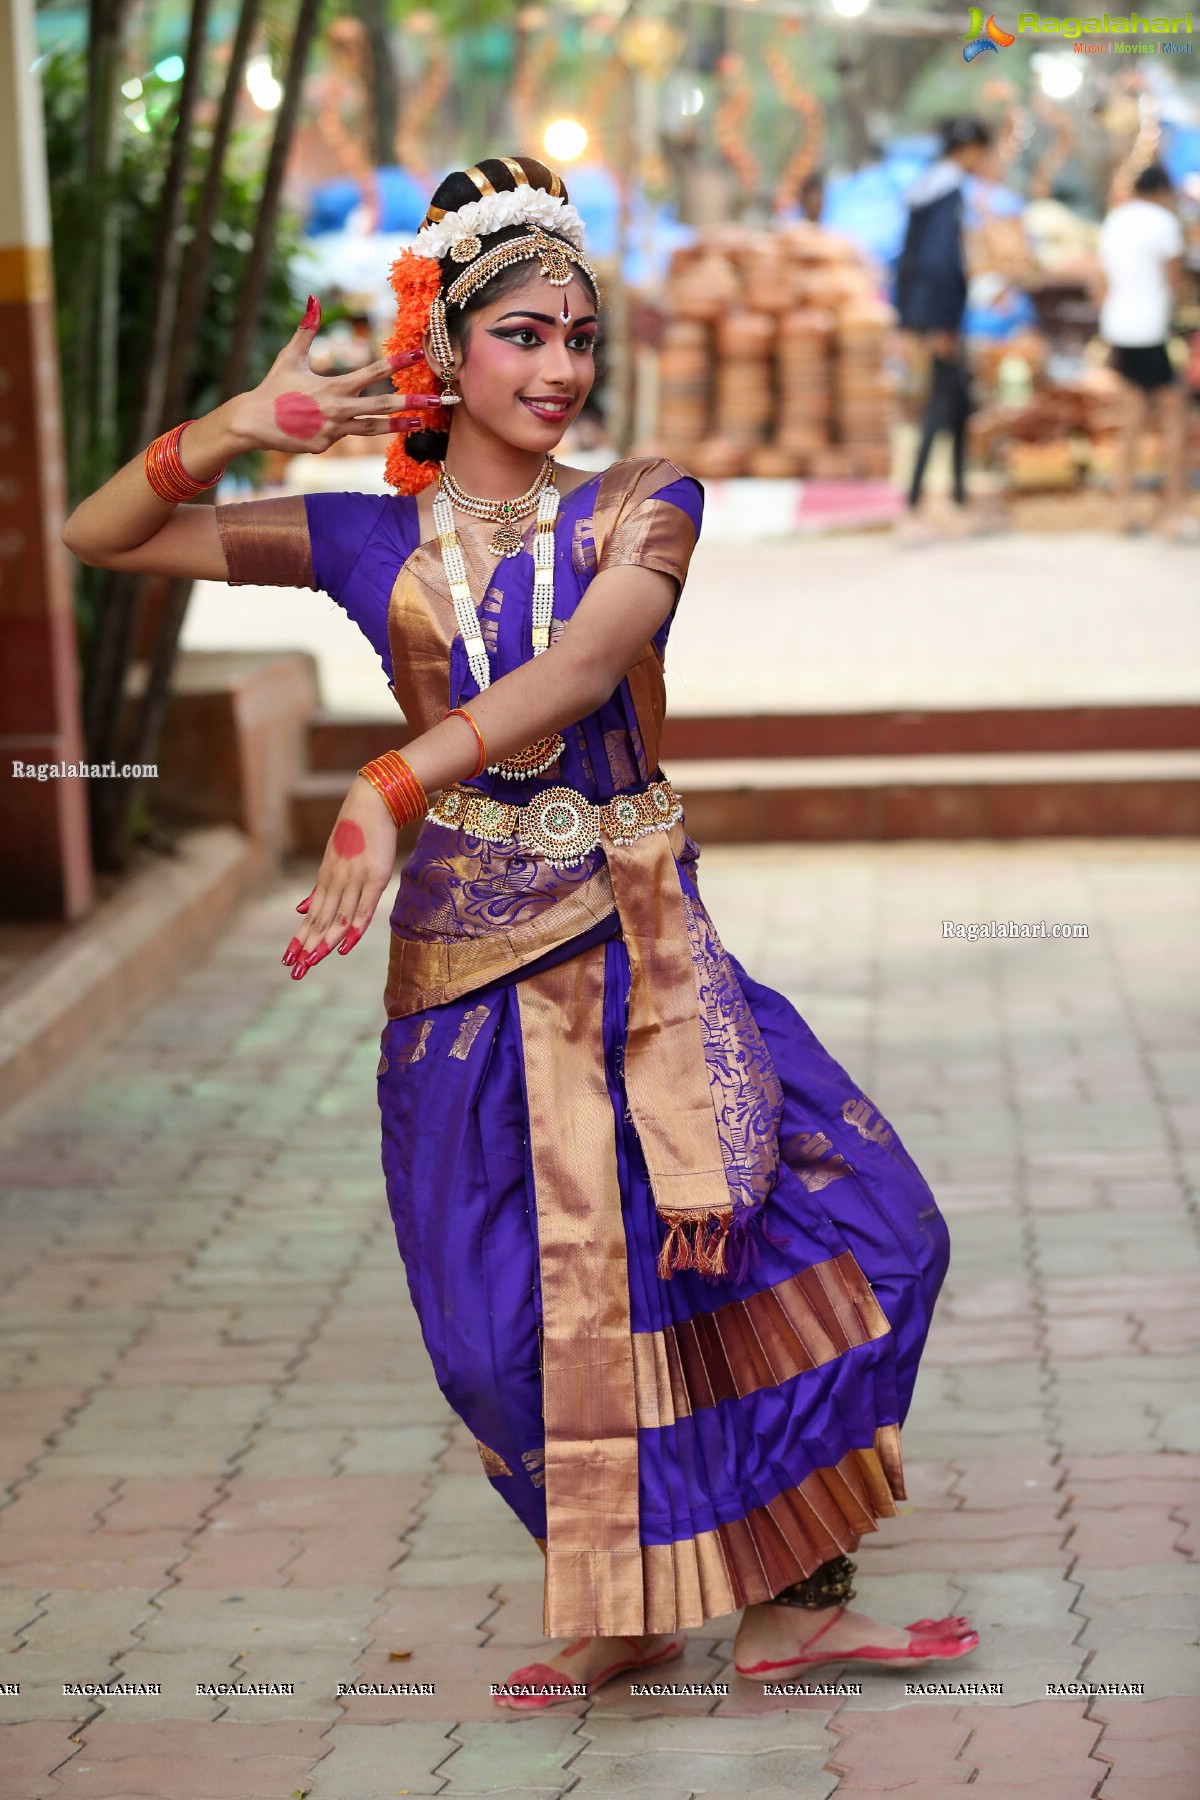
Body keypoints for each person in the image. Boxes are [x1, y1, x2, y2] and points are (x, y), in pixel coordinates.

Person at [61, 153, 979, 1708]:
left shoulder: (644, 503)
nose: (560, 370)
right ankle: (629, 1598)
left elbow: (581, 669)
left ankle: (788, 1603)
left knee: (843, 1237)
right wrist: (225, 432)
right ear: (449, 348)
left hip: (638, 954)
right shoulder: (364, 540)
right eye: (523, 337)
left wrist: (390, 776)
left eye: (578, 338)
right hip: (464, 974)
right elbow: (104, 538)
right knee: (505, 1340)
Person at [894, 117, 993, 543]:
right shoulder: (947, 192)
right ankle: (916, 503)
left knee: (956, 405)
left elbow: (909, 260)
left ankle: (956, 498)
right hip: (940, 318)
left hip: (929, 314)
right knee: (940, 407)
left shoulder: (926, 188)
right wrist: (941, 323)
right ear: (969, 149)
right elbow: (938, 262)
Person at [1096, 162, 1195, 542]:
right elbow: (1175, 281)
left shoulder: (1115, 220)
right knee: (1174, 417)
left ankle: (1122, 508)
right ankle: (1173, 510)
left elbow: (1102, 278)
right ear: (1163, 191)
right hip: (1152, 330)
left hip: (1120, 327)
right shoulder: (1162, 221)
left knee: (1132, 419)